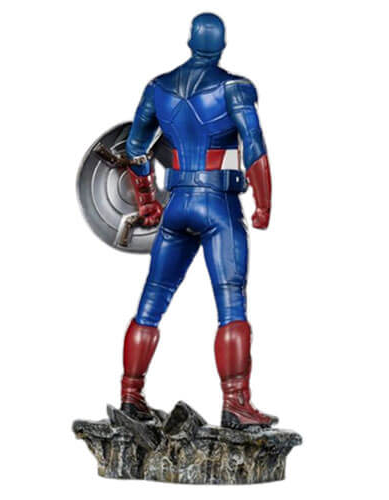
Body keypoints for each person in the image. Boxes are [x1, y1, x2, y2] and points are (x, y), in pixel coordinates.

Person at [120, 13, 275, 429]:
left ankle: (131, 395)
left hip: (177, 205)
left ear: (190, 42)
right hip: (218, 205)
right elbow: (254, 145)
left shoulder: (159, 88)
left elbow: (134, 148)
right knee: (231, 301)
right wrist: (263, 204)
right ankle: (236, 403)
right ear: (221, 45)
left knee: (152, 300)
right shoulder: (234, 88)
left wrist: (147, 199)